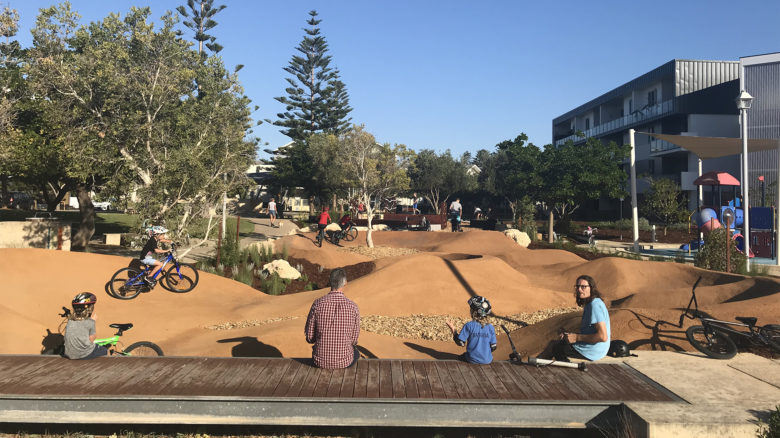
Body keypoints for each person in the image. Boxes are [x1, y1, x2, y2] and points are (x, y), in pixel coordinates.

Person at [304, 269, 360, 368]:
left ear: (330, 282)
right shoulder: (353, 307)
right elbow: (354, 340)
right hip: (344, 362)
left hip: (319, 361)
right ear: (345, 283)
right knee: (357, 353)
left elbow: (309, 337)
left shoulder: (317, 304)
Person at [553, 275, 611, 362]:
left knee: (556, 348)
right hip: (595, 349)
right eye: (577, 286)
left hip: (593, 351)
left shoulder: (594, 305)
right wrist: (570, 335)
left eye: (583, 287)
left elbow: (603, 337)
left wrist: (577, 338)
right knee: (561, 344)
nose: (579, 290)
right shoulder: (592, 303)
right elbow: (591, 331)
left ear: (591, 288)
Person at [446, 296, 497, 364]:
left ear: (475, 312)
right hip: (487, 360)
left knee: (462, 357)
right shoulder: (490, 327)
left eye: (471, 309)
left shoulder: (469, 325)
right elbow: (493, 347)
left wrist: (453, 328)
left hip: (472, 359)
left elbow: (460, 342)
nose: (470, 310)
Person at [64, 292, 108, 360]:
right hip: (84, 355)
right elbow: (92, 339)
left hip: (69, 354)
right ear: (89, 308)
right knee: (105, 350)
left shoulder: (70, 321)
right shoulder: (90, 322)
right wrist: (93, 321)